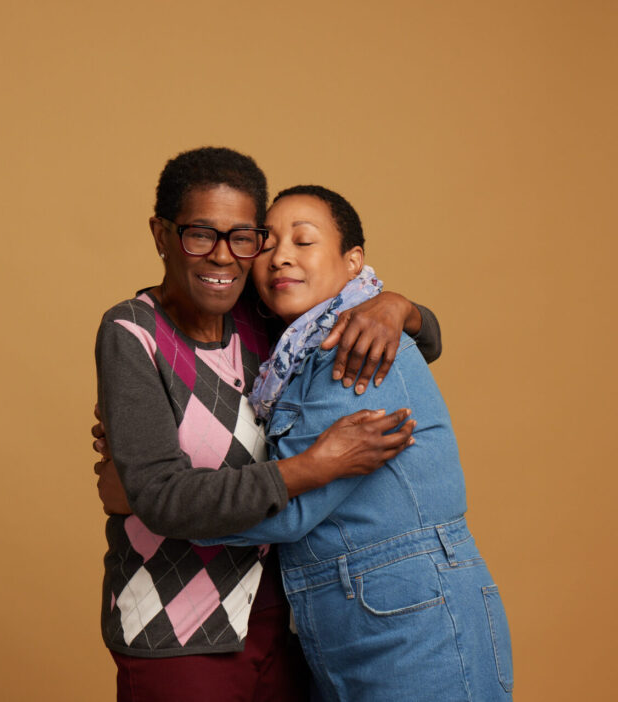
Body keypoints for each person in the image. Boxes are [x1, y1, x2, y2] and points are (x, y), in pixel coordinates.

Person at [94, 147, 443, 701]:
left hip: (287, 623)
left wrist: (398, 307)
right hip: (175, 626)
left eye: (242, 237)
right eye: (200, 234)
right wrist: (313, 466)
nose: (224, 257)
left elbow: (424, 341)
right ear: (161, 234)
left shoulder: (269, 322)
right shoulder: (133, 333)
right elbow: (161, 496)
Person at [194, 185, 514, 700]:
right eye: (268, 243)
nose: (281, 257)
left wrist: (156, 503)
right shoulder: (290, 352)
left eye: (303, 241)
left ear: (352, 263)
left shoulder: (356, 345)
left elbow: (292, 509)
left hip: (412, 616)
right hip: (348, 615)